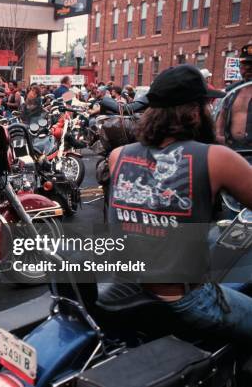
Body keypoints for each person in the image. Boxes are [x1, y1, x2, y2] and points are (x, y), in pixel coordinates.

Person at [108, 64, 252, 341]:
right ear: (195, 111)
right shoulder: (217, 158)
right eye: (207, 105)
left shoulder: (118, 156)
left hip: (128, 288)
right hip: (185, 299)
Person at [216, 44, 252, 149]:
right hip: (233, 148)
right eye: (245, 66)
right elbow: (223, 114)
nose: (248, 69)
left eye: (251, 66)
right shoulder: (232, 91)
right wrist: (219, 135)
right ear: (240, 68)